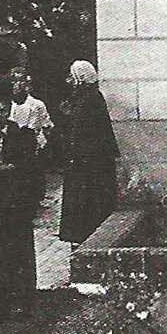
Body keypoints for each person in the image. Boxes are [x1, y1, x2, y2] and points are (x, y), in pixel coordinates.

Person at [0, 91, 42, 318]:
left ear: (9, 112)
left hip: (17, 206)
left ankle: (24, 300)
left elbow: (31, 171)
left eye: (2, 111)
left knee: (20, 253)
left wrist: (28, 202)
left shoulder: (22, 137)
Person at [58, 60, 119, 247]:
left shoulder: (90, 99)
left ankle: (85, 235)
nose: (69, 81)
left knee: (88, 198)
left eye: (72, 76)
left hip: (88, 161)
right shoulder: (84, 97)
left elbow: (88, 131)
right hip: (82, 159)